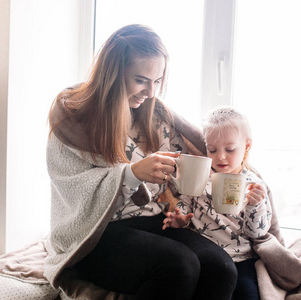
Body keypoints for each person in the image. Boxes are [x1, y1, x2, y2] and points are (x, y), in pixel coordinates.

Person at [44, 24, 237, 299]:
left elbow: (179, 171)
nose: (150, 91)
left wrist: (176, 202)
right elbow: (71, 188)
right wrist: (132, 173)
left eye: (157, 81)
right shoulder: (74, 119)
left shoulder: (155, 116)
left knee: (222, 268)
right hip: (96, 234)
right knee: (179, 265)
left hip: (151, 223)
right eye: (141, 80)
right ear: (113, 72)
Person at [163, 106, 272, 300]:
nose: (220, 156)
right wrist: (180, 219)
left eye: (229, 150)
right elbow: (185, 203)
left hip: (242, 259)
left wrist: (255, 206)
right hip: (206, 255)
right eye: (212, 149)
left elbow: (258, 233)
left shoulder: (254, 185)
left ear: (246, 147)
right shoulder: (200, 177)